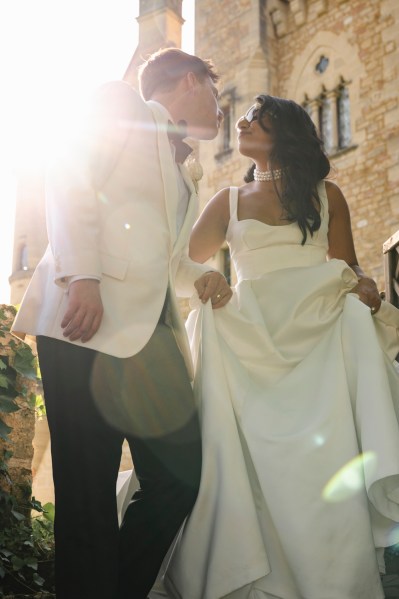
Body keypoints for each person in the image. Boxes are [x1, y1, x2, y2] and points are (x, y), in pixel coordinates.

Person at [11, 48, 232, 599]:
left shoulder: (186, 170)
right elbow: (69, 176)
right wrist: (83, 275)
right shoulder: (118, 101)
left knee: (181, 474)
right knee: (85, 490)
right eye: (215, 91)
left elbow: (166, 260)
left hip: (151, 341)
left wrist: (201, 276)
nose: (222, 110)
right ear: (189, 80)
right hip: (84, 318)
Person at [162, 94, 399, 599]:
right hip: (250, 339)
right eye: (243, 117)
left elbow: (351, 263)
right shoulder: (225, 201)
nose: (241, 122)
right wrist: (209, 280)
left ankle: (333, 577)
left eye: (254, 117)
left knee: (322, 463)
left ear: (284, 132)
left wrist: (365, 286)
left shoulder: (327, 195)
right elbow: (178, 265)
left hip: (318, 337)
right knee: (253, 465)